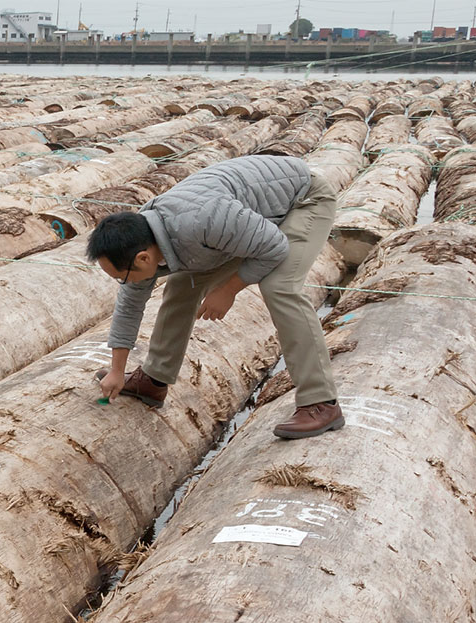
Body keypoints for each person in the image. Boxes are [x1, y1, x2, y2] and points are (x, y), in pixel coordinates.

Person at [85, 153, 343, 439]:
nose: (124, 283)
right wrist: (117, 370)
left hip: (302, 200)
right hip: (246, 220)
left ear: (144, 258)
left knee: (279, 287)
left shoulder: (204, 219)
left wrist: (228, 290)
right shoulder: (140, 235)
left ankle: (321, 402)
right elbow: (129, 305)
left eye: (122, 277)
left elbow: (274, 247)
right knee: (183, 284)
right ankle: (153, 381)